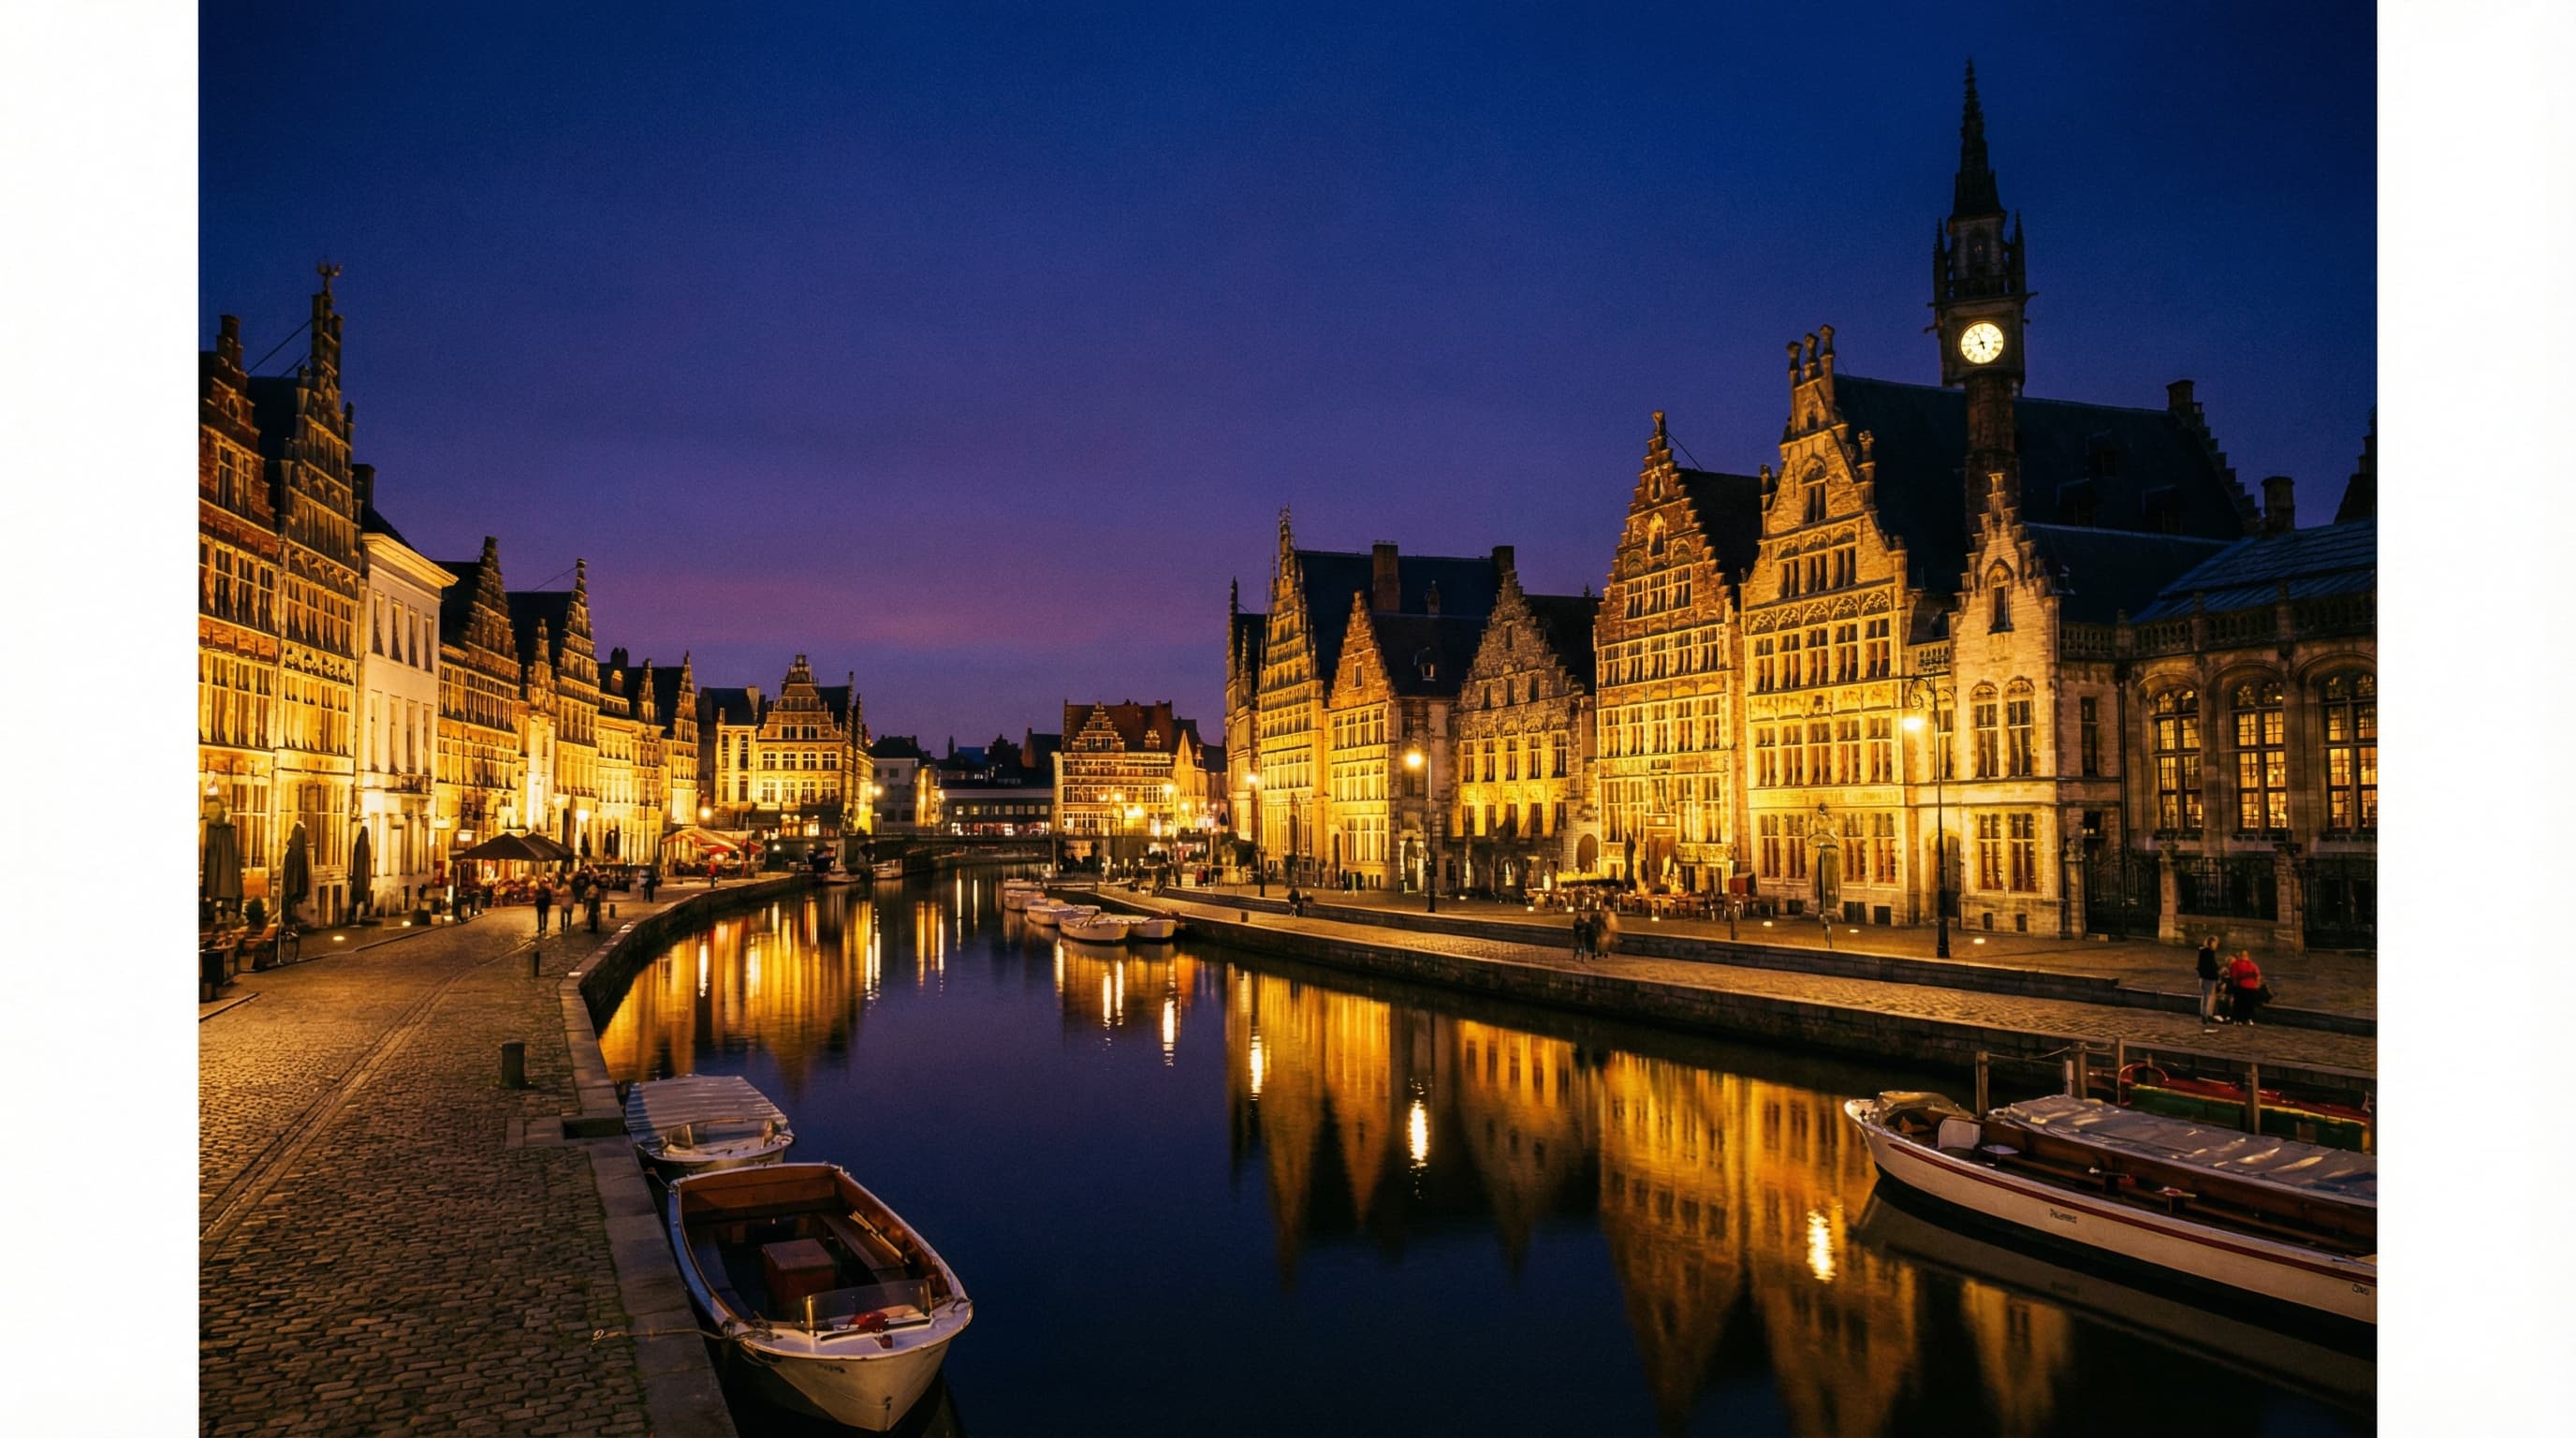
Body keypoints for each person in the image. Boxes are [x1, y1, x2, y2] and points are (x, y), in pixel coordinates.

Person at [2228, 950, 2268, 1026]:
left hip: (2241, 987)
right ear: (2247, 956)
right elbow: (2258, 976)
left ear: (2239, 956)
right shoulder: (2253, 965)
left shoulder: (2236, 964)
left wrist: (2235, 986)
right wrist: (2256, 985)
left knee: (2239, 1004)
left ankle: (2238, 1020)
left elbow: (2233, 976)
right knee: (2249, 1004)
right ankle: (2249, 1019)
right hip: (2252, 987)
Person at [2196, 936, 2225, 1027]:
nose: (2216, 945)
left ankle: (2205, 1014)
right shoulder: (2209, 953)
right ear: (2211, 943)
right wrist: (2219, 971)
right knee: (2206, 997)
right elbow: (2211, 966)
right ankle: (2205, 1015)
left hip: (2205, 977)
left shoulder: (2204, 953)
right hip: (2208, 978)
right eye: (2215, 943)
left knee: (2205, 996)